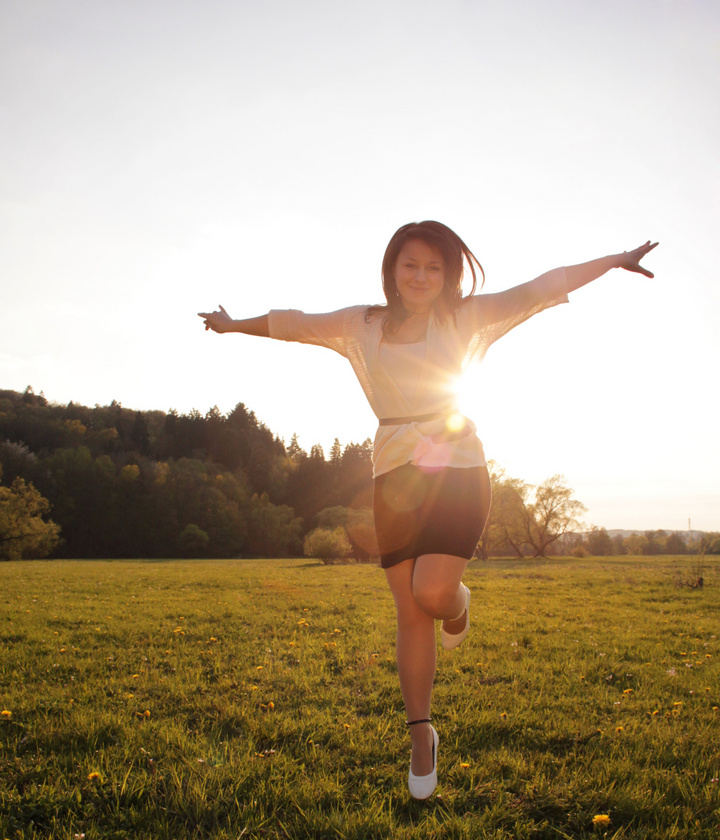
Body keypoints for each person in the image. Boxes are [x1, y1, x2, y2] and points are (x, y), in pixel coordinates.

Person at [198, 222, 657, 800]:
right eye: (410, 265)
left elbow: (543, 288)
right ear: (392, 270)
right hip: (393, 479)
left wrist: (615, 259)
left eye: (433, 268)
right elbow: (293, 325)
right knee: (409, 611)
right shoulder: (360, 324)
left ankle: (458, 602)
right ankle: (422, 736)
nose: (420, 276)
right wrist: (232, 323)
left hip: (458, 469)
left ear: (449, 276)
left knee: (434, 595)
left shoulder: (466, 318)